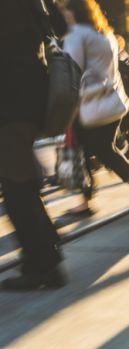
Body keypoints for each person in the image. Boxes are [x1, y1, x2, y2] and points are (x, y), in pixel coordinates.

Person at [0, 0, 67, 290]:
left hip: (12, 96)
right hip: (31, 90)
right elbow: (61, 26)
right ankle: (47, 251)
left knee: (16, 184)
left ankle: (42, 265)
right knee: (21, 179)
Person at [60, 0, 129, 221]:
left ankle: (85, 202)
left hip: (89, 107)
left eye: (66, 11)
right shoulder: (105, 34)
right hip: (114, 104)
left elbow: (71, 72)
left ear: (73, 12)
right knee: (107, 150)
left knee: (79, 151)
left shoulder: (77, 35)